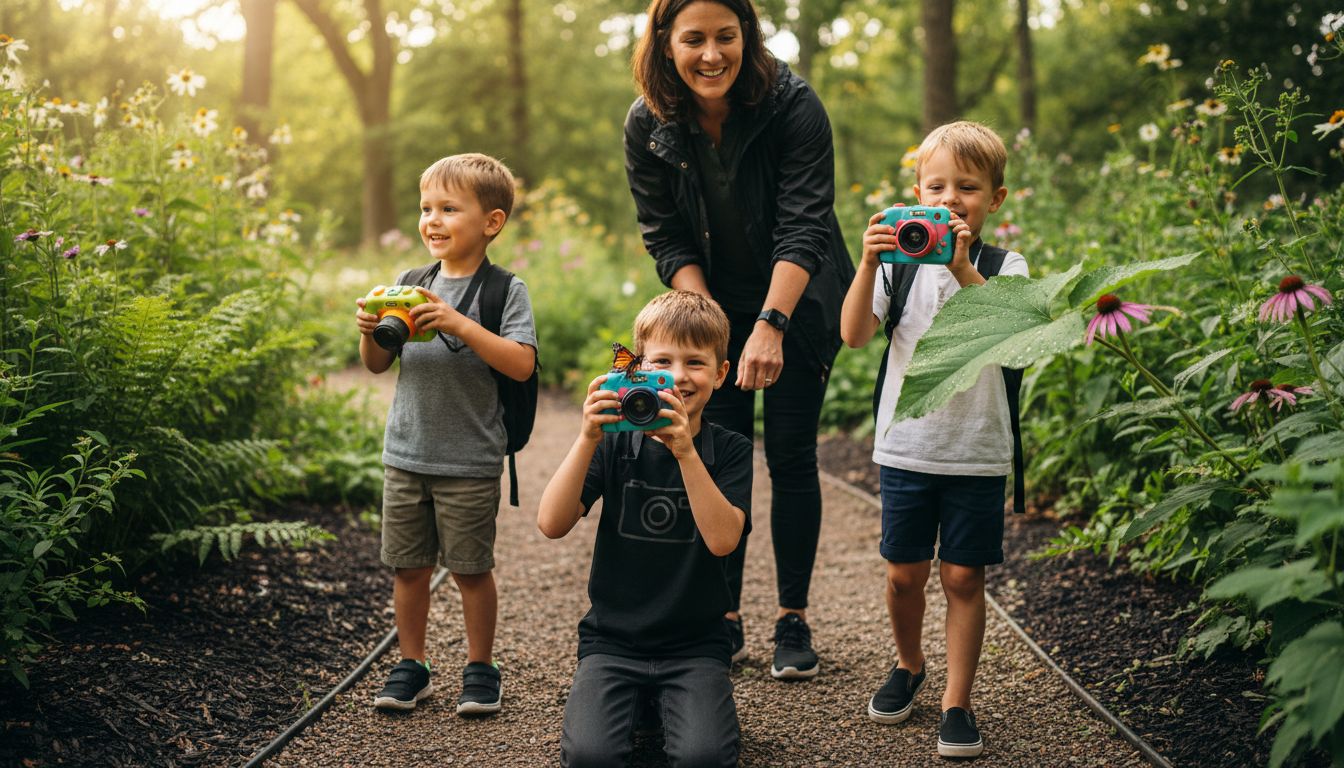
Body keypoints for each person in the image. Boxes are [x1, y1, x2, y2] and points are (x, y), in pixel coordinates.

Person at [623, 0, 855, 680]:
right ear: (666, 43)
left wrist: (770, 326)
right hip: (712, 312)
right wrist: (710, 328)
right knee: (717, 455)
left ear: (747, 36)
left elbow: (805, 225)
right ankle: (721, 615)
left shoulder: (794, 106)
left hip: (798, 304)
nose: (711, 55)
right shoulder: (647, 123)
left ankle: (792, 618)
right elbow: (664, 234)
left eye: (726, 37)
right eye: (693, 39)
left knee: (790, 455)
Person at [839, 121, 1027, 759]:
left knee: (964, 578)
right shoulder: (898, 264)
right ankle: (909, 663)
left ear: (994, 200)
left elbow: (1012, 335)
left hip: (976, 450)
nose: (950, 200)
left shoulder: (1005, 267)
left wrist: (961, 265)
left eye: (967, 188)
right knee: (903, 575)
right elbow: (854, 336)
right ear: (916, 193)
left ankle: (957, 701)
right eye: (937, 186)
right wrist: (870, 261)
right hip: (908, 446)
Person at [355, 153, 537, 715]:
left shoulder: (504, 290)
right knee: (408, 568)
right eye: (426, 208)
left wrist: (459, 323)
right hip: (406, 454)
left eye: (449, 209)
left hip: (469, 459)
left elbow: (521, 364)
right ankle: (412, 665)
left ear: (491, 222)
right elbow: (376, 365)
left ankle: (481, 668)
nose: (432, 220)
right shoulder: (409, 285)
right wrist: (369, 331)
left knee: (470, 570)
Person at [538, 290, 751, 767]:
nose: (678, 376)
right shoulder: (615, 444)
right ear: (636, 369)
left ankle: (658, 705)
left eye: (695, 363)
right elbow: (551, 523)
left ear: (720, 373)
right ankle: (647, 704)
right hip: (613, 640)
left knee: (704, 758)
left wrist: (685, 452)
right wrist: (587, 437)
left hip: (696, 643)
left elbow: (723, 541)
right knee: (589, 757)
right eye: (662, 363)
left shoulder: (730, 450)